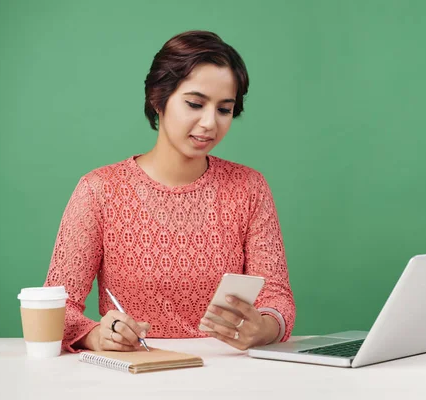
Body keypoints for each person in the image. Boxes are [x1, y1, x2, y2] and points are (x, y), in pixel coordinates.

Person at [44, 30, 295, 353]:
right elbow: (55, 307)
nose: (209, 123)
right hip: (134, 370)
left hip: (228, 373)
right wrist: (96, 335)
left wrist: (265, 327)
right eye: (194, 103)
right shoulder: (99, 190)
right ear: (157, 99)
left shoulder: (249, 187)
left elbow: (278, 298)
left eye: (224, 109)